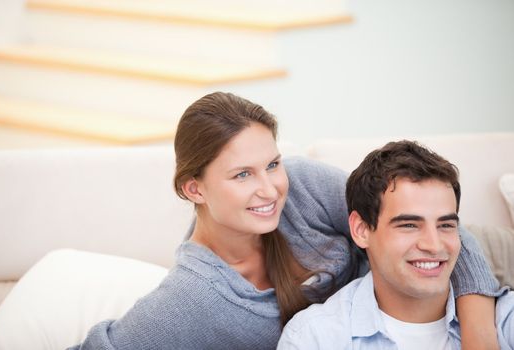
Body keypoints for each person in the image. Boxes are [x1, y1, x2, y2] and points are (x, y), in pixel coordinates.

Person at [71, 93, 501, 349]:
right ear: (194, 189)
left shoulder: (302, 184)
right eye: (242, 175)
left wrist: (479, 338)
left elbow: (436, 223)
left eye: (272, 164)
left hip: (469, 257)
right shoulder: (190, 301)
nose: (271, 189)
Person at [277, 140, 514, 349]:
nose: (433, 245)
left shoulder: (505, 321)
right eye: (409, 225)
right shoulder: (314, 338)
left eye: (446, 225)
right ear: (361, 230)